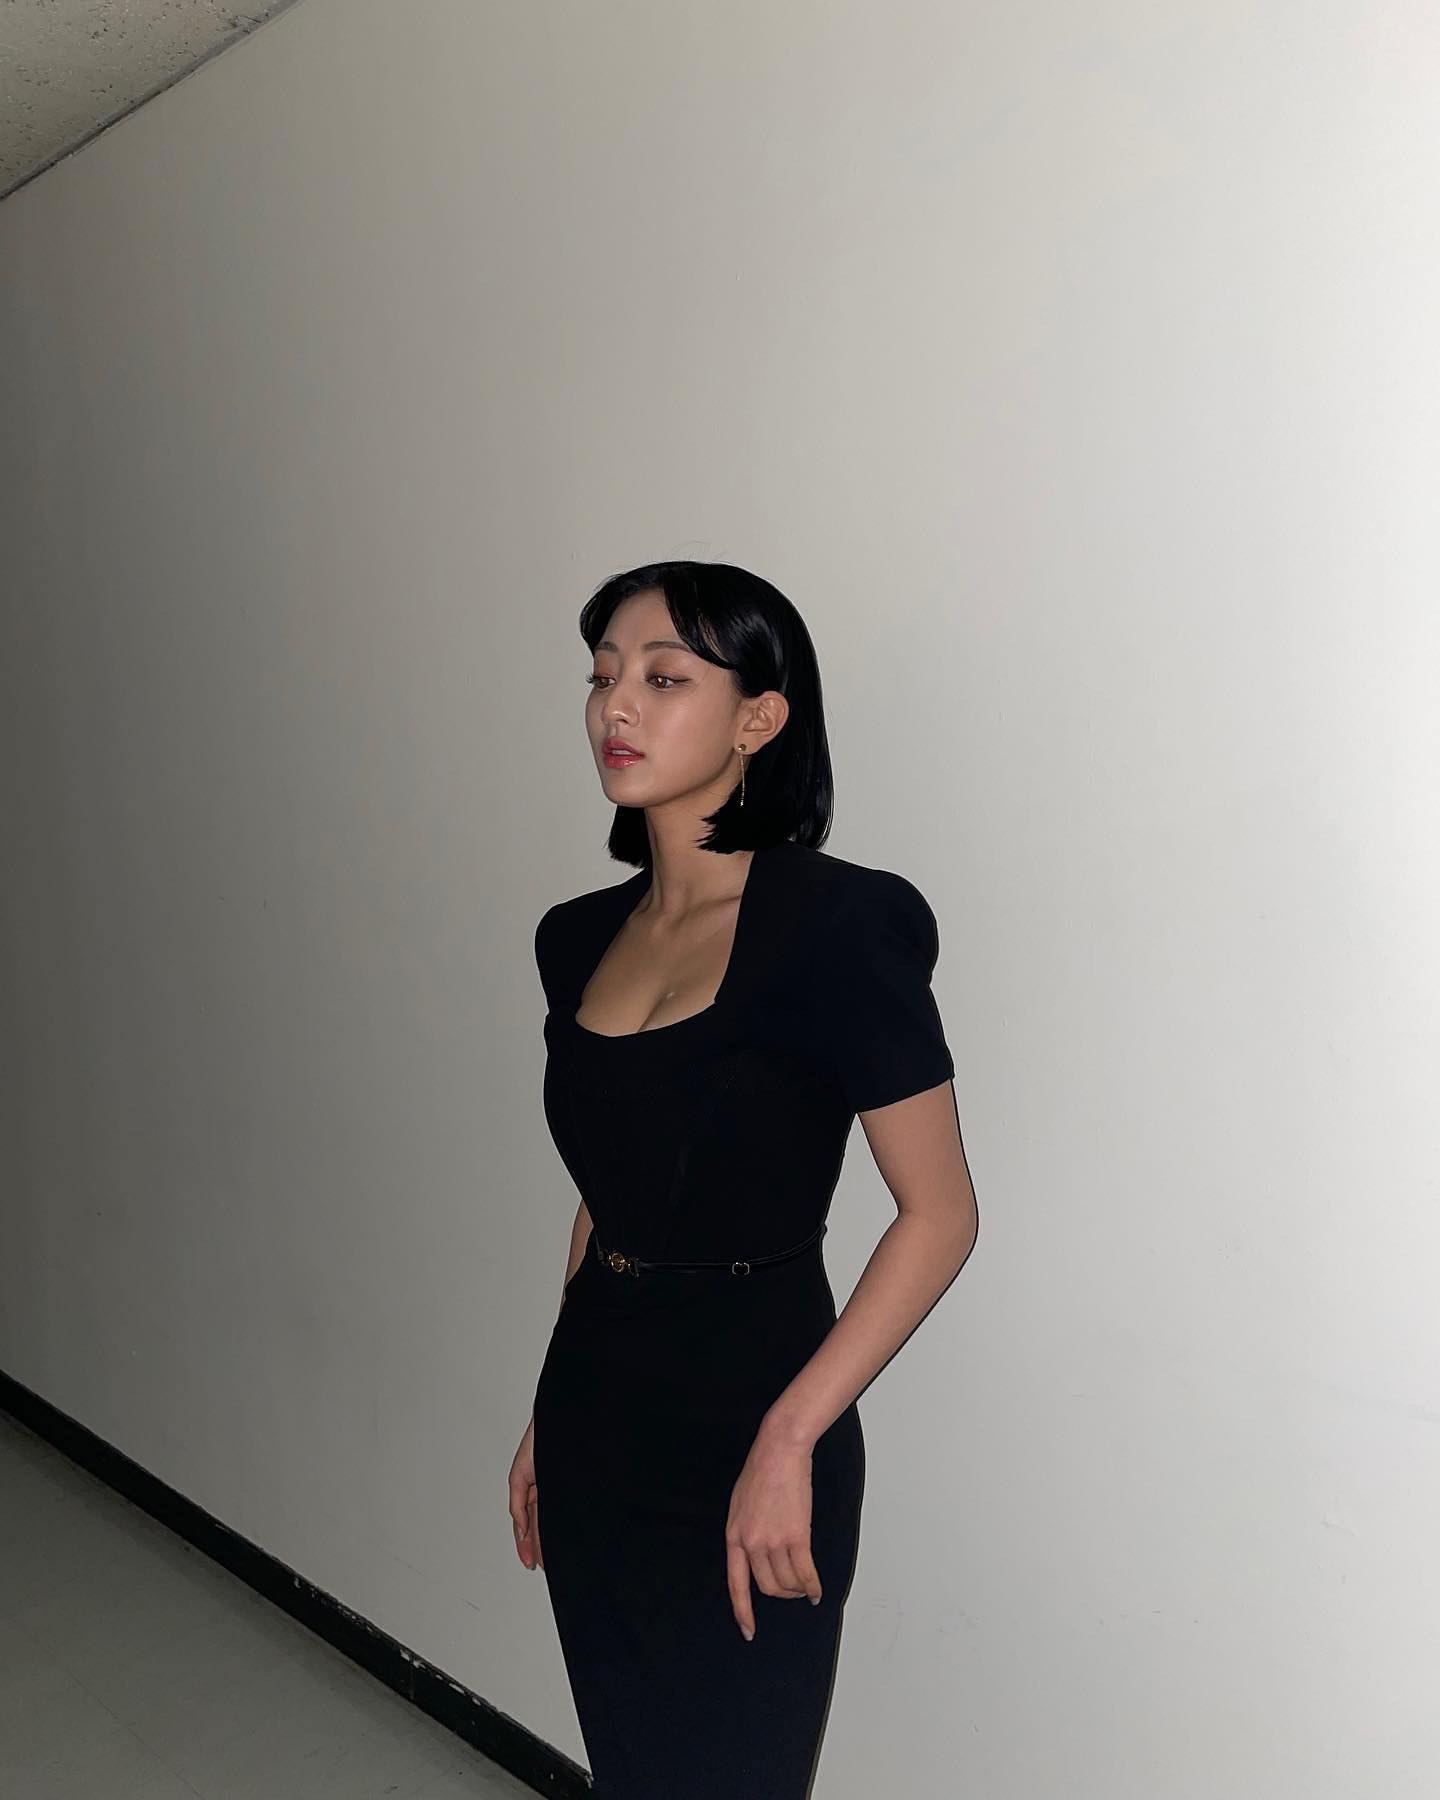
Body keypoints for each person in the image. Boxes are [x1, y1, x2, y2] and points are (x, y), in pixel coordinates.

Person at [508, 561, 979, 1798]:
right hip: (598, 1406)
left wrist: (789, 1438)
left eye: (665, 679)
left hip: (760, 1405)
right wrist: (550, 1404)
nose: (616, 706)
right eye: (603, 676)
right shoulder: (575, 937)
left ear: (758, 718)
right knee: (631, 1768)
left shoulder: (840, 925)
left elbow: (939, 1215)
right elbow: (609, 1189)